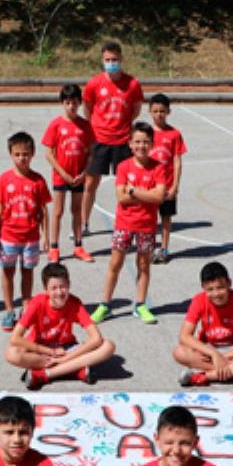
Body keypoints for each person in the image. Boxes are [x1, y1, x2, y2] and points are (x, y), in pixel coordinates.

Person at [90, 121, 167, 326]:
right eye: (137, 141)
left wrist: (134, 191)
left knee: (143, 265)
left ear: (152, 144)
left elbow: (159, 196)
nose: (141, 145)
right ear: (130, 144)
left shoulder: (158, 167)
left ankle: (140, 304)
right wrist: (146, 195)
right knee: (115, 264)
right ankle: (105, 304)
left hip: (147, 225)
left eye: (146, 142)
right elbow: (121, 198)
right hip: (124, 223)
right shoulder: (124, 166)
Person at [5, 262, 115, 389]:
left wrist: (65, 358)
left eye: (63, 286)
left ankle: (47, 374)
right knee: (11, 353)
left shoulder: (75, 303)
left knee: (108, 346)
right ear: (46, 290)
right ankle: (74, 370)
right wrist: (50, 351)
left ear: (69, 285)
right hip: (41, 350)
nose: (59, 292)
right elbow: (15, 338)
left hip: (66, 349)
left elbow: (96, 338)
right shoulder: (37, 303)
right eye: (54, 288)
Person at [0, 131, 52, 331]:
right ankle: (9, 310)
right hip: (9, 237)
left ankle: (26, 305)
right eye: (17, 154)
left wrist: (46, 236)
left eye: (25, 154)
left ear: (32, 153)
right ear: (11, 154)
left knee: (27, 272)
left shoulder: (38, 181)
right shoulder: (4, 180)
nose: (21, 158)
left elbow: (44, 211)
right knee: (8, 273)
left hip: (31, 237)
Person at [82, 40, 144, 234]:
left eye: (115, 59)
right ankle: (84, 224)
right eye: (108, 59)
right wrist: (98, 127)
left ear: (121, 59)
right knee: (91, 183)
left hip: (123, 141)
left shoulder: (132, 84)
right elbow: (88, 109)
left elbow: (136, 110)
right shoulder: (94, 84)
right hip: (100, 140)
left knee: (126, 185)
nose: (111, 63)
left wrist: (122, 126)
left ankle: (128, 223)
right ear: (102, 60)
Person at [41, 84, 95, 263]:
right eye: (67, 102)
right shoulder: (56, 124)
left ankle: (78, 246)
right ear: (62, 103)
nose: (71, 106)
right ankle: (54, 247)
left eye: (74, 102)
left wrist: (84, 173)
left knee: (76, 211)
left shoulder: (85, 125)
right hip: (61, 176)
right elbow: (49, 153)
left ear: (80, 102)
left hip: (78, 176)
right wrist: (63, 173)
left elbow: (90, 153)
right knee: (57, 211)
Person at [148, 93, 188, 264]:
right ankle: (149, 247)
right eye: (155, 111)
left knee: (165, 217)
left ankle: (164, 248)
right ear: (149, 112)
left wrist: (175, 186)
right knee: (148, 218)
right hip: (149, 185)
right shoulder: (145, 133)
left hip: (167, 185)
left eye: (162, 111)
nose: (159, 114)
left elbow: (177, 161)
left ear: (168, 112)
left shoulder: (174, 134)